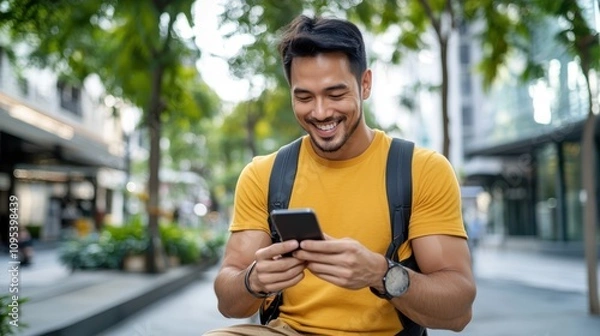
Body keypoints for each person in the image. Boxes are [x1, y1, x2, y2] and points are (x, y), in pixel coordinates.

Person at [205, 14, 476, 336]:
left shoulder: (422, 169)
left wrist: (380, 274)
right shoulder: (263, 174)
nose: (320, 113)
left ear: (365, 84)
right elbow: (228, 302)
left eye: (335, 94)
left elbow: (458, 312)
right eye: (304, 97)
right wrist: (253, 280)